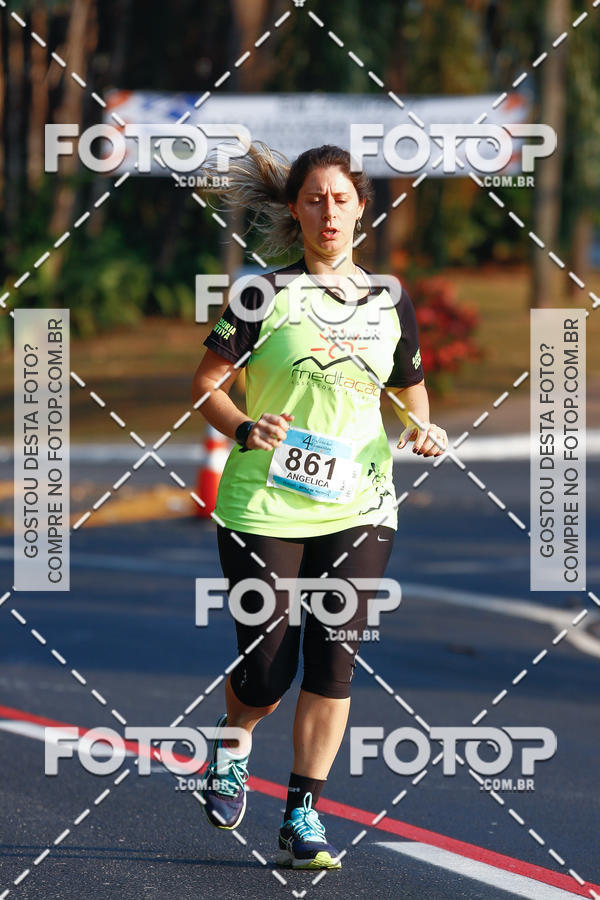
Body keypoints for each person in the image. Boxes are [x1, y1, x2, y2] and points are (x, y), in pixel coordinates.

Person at [191, 142, 448, 870]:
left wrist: (421, 428)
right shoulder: (261, 294)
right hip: (264, 504)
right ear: (295, 210)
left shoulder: (390, 299)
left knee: (334, 662)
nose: (328, 212)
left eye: (340, 199)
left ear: (362, 207)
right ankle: (233, 741)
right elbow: (205, 386)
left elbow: (410, 390)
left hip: (360, 502)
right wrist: (246, 426)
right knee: (268, 671)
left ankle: (303, 814)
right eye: (314, 199)